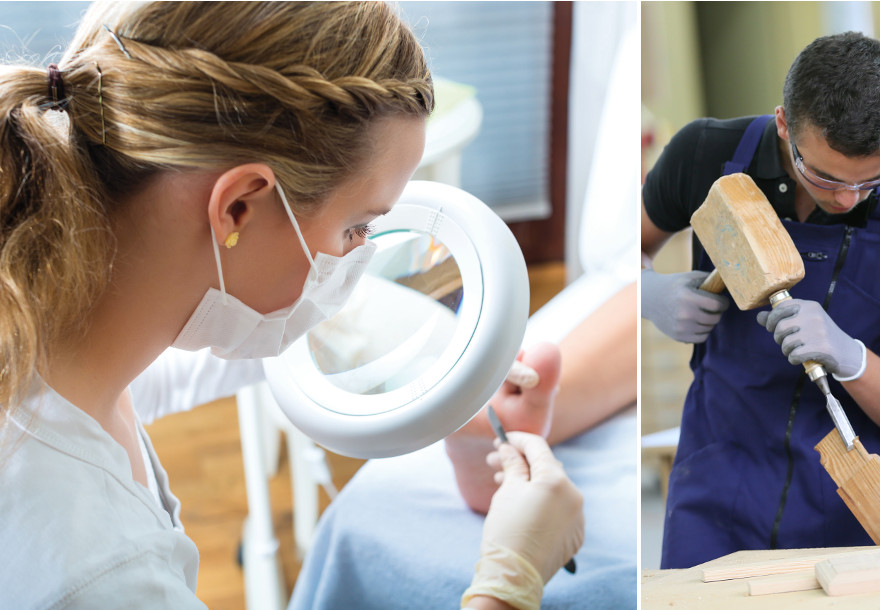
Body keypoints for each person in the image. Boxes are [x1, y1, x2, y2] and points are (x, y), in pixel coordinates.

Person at [0, 3, 580, 608]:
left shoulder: (47, 324)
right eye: (358, 228)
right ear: (238, 208)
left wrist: (440, 361)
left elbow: (179, 365)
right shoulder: (92, 571)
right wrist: (509, 582)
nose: (357, 262)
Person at [637, 31, 880, 569]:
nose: (847, 199)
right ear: (785, 125)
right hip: (717, 486)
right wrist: (646, 293)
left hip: (854, 501)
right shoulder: (705, 155)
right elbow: (620, 254)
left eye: (874, 177)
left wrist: (851, 358)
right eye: (825, 177)